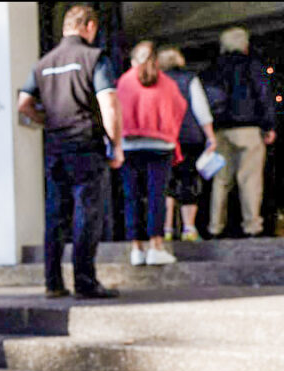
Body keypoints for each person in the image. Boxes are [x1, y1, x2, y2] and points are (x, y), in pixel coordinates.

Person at [18, 4, 122, 299]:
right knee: (87, 214)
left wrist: (47, 120)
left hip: (56, 148)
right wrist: (116, 144)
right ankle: (85, 281)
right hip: (86, 145)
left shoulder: (44, 63)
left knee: (55, 216)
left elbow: (23, 104)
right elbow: (108, 104)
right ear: (89, 26)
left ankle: (53, 282)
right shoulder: (94, 58)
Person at [117, 41, 187, 266]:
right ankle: (156, 246)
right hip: (161, 145)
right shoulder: (168, 83)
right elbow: (180, 109)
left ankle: (136, 249)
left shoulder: (124, 82)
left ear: (132, 61)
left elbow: (113, 110)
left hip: (130, 146)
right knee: (157, 195)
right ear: (156, 61)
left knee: (132, 197)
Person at [203, 26, 277, 237]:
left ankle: (215, 226)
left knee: (221, 179)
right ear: (244, 44)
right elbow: (263, 95)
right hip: (248, 128)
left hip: (220, 129)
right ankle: (252, 225)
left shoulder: (213, 69)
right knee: (250, 179)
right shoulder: (253, 65)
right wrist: (269, 125)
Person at [158, 47, 218, 242]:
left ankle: (166, 229)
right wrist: (210, 136)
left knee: (165, 183)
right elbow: (201, 109)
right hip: (189, 138)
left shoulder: (156, 80)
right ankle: (189, 229)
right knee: (188, 180)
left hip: (163, 137)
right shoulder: (189, 79)